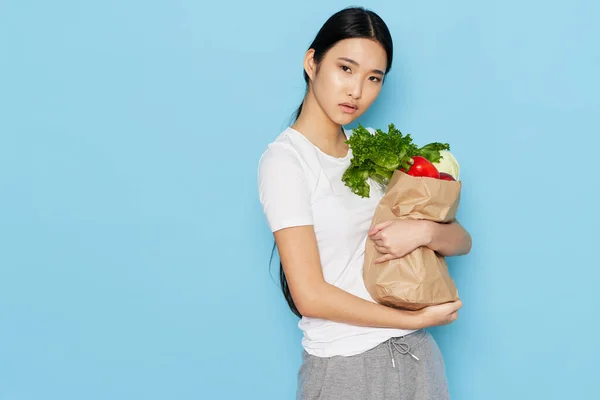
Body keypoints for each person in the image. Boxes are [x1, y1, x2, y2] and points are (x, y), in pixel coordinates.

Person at [257, 6, 472, 400]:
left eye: (374, 78)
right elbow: (309, 294)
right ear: (312, 62)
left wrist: (422, 231)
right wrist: (413, 318)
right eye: (346, 69)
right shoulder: (286, 161)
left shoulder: (371, 149)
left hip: (417, 358)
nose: (357, 90)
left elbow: (462, 241)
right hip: (347, 368)